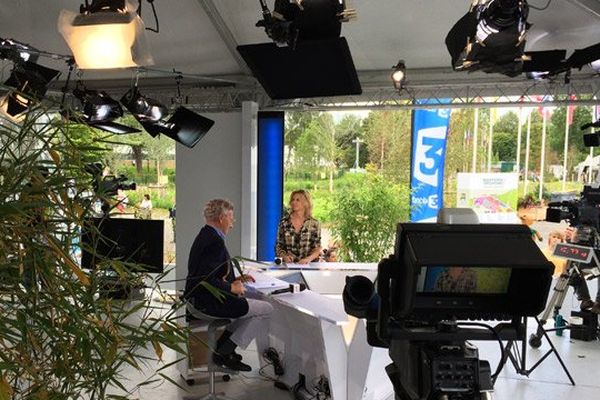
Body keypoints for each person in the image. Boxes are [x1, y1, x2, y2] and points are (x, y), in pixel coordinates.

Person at [184, 199, 273, 371]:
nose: (232, 224)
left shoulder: (206, 235)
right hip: (208, 302)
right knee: (266, 309)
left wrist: (237, 278)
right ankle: (224, 352)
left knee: (245, 311)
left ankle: (224, 351)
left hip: (198, 299)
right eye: (231, 218)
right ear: (222, 218)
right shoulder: (214, 241)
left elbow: (211, 271)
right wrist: (232, 288)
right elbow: (206, 279)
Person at [275, 189, 321, 264]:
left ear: (305, 203)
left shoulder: (314, 224)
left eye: (297, 200)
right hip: (289, 266)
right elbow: (279, 247)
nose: (294, 202)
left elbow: (317, 248)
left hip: (309, 266)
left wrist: (307, 259)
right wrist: (285, 257)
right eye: (292, 200)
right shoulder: (284, 222)